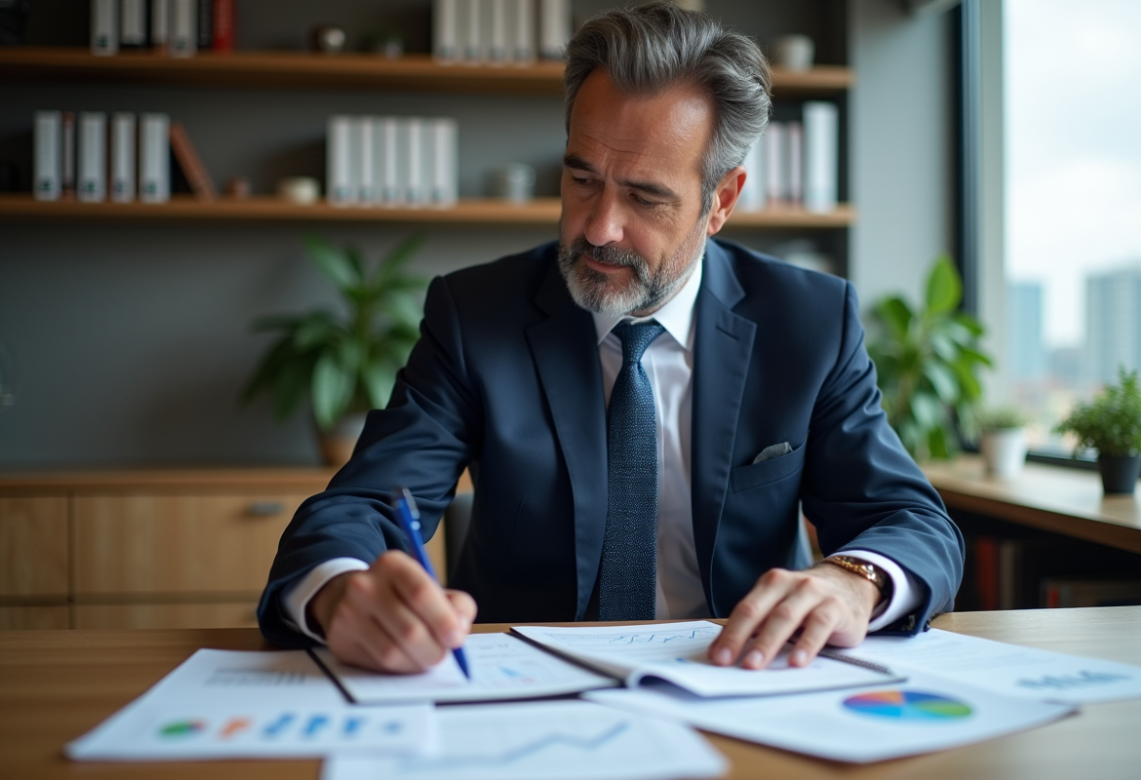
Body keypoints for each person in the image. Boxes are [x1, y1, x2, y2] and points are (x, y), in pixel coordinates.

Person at [257, 1, 964, 675]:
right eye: (581, 178)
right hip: (523, 689)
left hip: (744, 683)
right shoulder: (476, 314)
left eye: (646, 196)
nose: (598, 228)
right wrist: (342, 591)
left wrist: (855, 580)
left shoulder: (808, 319)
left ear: (720, 201)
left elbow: (909, 520)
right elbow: (361, 505)